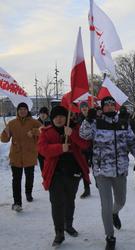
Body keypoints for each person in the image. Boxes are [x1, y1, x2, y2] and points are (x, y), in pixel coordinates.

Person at [79, 96, 135, 250]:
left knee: (121, 201)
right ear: (102, 107)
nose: (109, 107)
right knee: (105, 205)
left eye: (111, 104)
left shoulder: (123, 123)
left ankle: (115, 213)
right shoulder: (96, 123)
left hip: (120, 169)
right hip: (102, 170)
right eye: (106, 105)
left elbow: (132, 141)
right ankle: (110, 236)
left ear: (115, 106)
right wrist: (88, 119)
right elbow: (84, 135)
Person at [38, 105, 91, 246]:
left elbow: (85, 145)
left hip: (73, 172)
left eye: (61, 116)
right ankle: (59, 232)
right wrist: (60, 148)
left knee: (70, 200)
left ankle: (69, 225)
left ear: (66, 117)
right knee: (56, 203)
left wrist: (72, 134)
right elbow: (42, 150)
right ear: (52, 118)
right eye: (55, 117)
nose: (59, 119)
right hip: (55, 173)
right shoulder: (46, 132)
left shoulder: (76, 128)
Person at [1, 102, 41, 211]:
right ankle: (17, 202)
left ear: (27, 110)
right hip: (16, 155)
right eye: (20, 109)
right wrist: (6, 132)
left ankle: (28, 193)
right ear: (17, 111)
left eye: (24, 109)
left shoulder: (34, 122)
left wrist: (34, 131)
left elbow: (44, 132)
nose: (22, 111)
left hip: (30, 153)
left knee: (29, 176)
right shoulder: (12, 123)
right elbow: (4, 139)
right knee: (16, 179)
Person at [77, 101, 92, 198]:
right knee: (84, 169)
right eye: (82, 107)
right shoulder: (78, 118)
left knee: (96, 167)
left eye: (85, 106)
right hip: (83, 147)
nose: (84, 108)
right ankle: (87, 189)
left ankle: (99, 183)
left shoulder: (93, 117)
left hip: (94, 146)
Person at [37, 107, 51, 172]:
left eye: (44, 113)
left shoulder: (51, 122)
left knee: (50, 167)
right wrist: (37, 131)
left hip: (49, 147)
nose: (42, 115)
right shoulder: (36, 123)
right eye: (41, 113)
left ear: (47, 114)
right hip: (40, 149)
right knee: (43, 168)